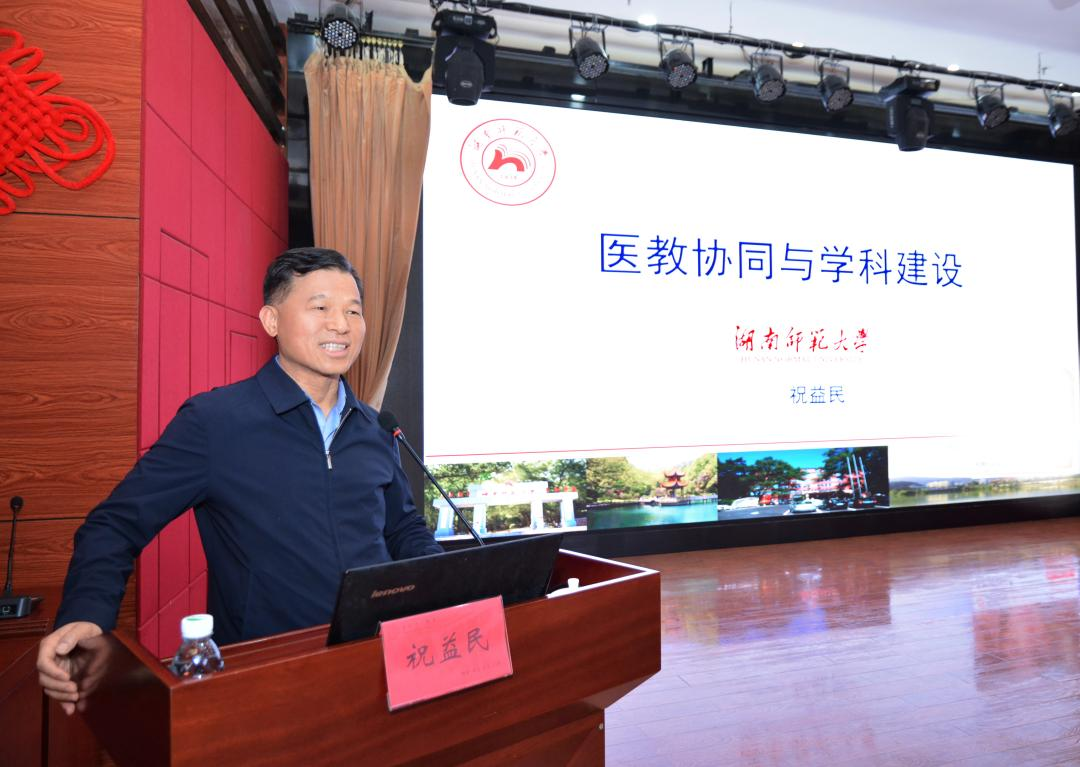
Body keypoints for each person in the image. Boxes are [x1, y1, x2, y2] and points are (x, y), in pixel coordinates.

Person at [38, 247, 442, 713]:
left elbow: (403, 528)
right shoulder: (215, 423)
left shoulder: (374, 427)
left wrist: (449, 585)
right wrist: (86, 615)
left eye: (353, 311)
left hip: (382, 665)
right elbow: (115, 524)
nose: (341, 325)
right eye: (320, 307)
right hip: (267, 683)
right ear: (271, 320)